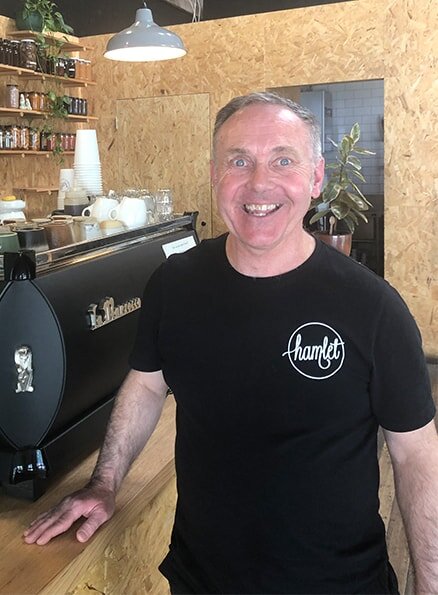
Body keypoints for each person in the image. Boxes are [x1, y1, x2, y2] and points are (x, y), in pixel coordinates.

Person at [24, 92, 438, 595]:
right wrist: (104, 482)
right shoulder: (174, 284)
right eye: (238, 161)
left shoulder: (374, 308)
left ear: (316, 177)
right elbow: (148, 386)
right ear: (215, 174)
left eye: (283, 160)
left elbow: (416, 454)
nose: (259, 183)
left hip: (338, 583)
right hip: (202, 581)